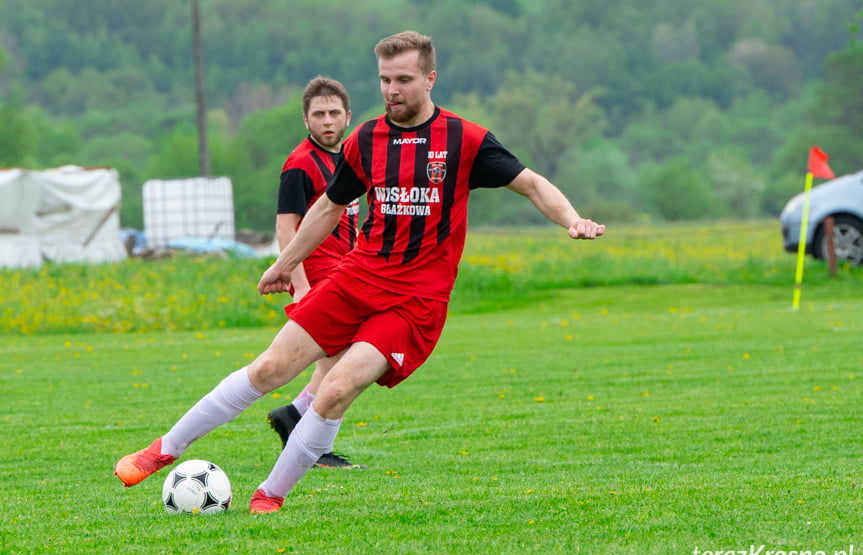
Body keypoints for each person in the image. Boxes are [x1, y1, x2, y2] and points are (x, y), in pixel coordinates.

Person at [114, 30, 605, 514]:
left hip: (414, 302)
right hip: (355, 279)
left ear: (430, 79)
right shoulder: (367, 138)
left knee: (335, 389)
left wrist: (572, 220)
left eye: (404, 79)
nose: (392, 90)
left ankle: (270, 495)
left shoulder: (463, 139)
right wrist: (284, 265)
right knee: (269, 368)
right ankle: (163, 450)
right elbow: (328, 208)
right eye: (385, 80)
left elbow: (532, 184)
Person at [266, 76, 364, 469]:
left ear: (348, 117)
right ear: (305, 120)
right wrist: (299, 284)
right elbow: (285, 226)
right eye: (318, 114)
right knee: (346, 361)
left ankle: (296, 416)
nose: (327, 121)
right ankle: (313, 442)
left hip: (346, 269)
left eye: (334, 113)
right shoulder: (300, 163)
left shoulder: (345, 158)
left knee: (342, 360)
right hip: (320, 272)